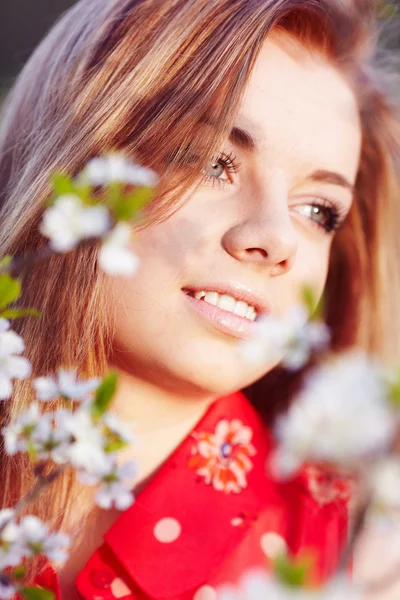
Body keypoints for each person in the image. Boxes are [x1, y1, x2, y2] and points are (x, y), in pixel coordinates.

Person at [0, 0, 399, 599]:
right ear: (80, 157)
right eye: (214, 162)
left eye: (318, 211)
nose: (274, 239)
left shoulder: (349, 555)